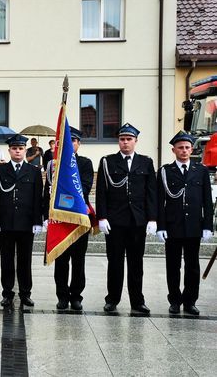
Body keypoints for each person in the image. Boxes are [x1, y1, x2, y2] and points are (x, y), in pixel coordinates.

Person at [96, 123, 157, 313]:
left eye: (129, 139)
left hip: (137, 221)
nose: (125, 143)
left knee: (136, 263)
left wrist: (153, 218)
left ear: (136, 141)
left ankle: (137, 301)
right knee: (114, 262)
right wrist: (102, 217)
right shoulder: (108, 161)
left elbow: (151, 193)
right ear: (118, 141)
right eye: (122, 139)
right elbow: (101, 192)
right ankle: (112, 299)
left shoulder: (146, 162)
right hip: (115, 221)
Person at [156, 131, 213, 315]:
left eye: (187, 147)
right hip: (173, 226)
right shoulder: (165, 171)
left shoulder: (201, 171)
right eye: (180, 147)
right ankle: (174, 300)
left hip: (194, 226)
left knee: (192, 266)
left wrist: (207, 226)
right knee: (173, 266)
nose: (184, 151)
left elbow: (207, 201)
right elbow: (160, 201)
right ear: (173, 150)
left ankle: (190, 301)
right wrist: (161, 226)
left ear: (192, 149)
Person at [44, 128, 94, 311]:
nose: (71, 143)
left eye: (74, 140)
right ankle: (62, 296)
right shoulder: (54, 164)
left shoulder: (85, 163)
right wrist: (45, 214)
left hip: (80, 219)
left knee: (78, 262)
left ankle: (76, 297)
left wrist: (64, 198)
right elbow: (47, 191)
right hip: (60, 219)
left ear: (78, 144)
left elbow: (85, 189)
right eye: (68, 140)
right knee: (61, 261)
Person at [0, 134, 42, 308]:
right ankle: (7, 294)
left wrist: (38, 221)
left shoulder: (34, 171)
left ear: (24, 150)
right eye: (14, 148)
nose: (18, 151)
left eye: (21, 148)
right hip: (6, 223)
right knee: (6, 260)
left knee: (24, 261)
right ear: (10, 150)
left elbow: (38, 198)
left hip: (26, 223)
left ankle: (25, 294)